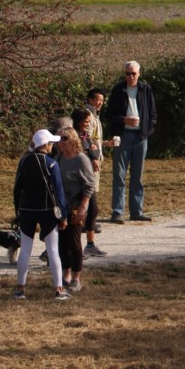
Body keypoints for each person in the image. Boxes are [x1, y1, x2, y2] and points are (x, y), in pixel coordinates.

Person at [13, 129, 71, 300]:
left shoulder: (24, 162)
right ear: (45, 145)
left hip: (26, 210)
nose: (53, 145)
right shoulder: (52, 164)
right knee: (53, 250)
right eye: (51, 143)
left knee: (25, 249)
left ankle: (21, 288)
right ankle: (59, 289)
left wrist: (17, 209)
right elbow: (59, 192)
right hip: (47, 210)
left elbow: (17, 189)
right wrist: (63, 215)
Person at [107, 60, 157, 222]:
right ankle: (117, 211)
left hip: (141, 137)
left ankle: (136, 211)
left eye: (133, 73)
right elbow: (109, 115)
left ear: (139, 74)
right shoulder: (118, 90)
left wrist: (146, 131)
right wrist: (124, 120)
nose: (131, 77)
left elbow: (153, 115)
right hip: (123, 136)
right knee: (119, 175)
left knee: (138, 176)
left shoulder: (146, 90)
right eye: (128, 73)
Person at [54, 127, 96, 293]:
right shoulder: (57, 158)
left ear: (72, 139)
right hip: (60, 207)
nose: (60, 142)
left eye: (64, 138)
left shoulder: (81, 159)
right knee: (61, 242)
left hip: (76, 205)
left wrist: (83, 206)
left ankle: (77, 277)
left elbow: (89, 184)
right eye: (58, 139)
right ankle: (66, 275)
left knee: (74, 242)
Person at [71, 106, 107, 257]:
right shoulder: (71, 135)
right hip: (76, 180)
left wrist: (93, 154)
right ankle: (72, 247)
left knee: (93, 210)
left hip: (88, 179)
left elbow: (94, 149)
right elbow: (76, 153)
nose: (88, 123)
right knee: (75, 214)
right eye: (86, 121)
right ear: (78, 121)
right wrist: (90, 153)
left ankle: (90, 245)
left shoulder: (86, 135)